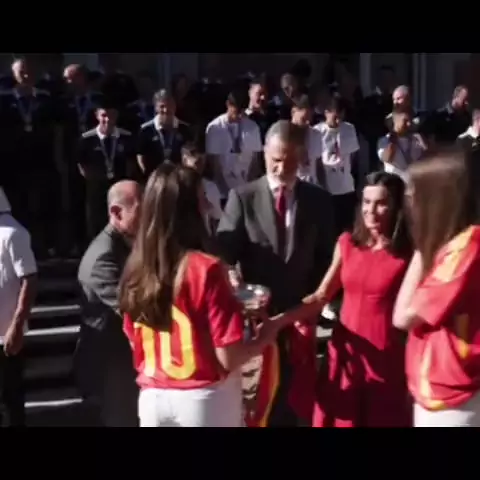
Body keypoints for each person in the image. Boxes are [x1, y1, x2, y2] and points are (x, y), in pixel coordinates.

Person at [119, 164, 278, 427]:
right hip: (204, 397)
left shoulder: (134, 267)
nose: (207, 204)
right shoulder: (207, 268)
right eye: (202, 197)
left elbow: (134, 341)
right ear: (189, 209)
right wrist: (264, 338)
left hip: (152, 397)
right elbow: (228, 357)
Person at [216, 120, 336, 426]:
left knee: (296, 397)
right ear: (264, 153)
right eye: (275, 160)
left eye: (289, 161)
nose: (281, 168)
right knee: (261, 400)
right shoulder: (243, 197)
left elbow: (327, 257)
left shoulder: (318, 200)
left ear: (302, 157)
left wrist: (316, 302)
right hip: (257, 319)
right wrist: (231, 275)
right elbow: (223, 255)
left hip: (299, 315)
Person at [273, 172, 412, 427]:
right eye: (367, 202)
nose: (371, 211)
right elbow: (321, 296)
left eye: (381, 203)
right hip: (346, 351)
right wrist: (278, 321)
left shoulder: (409, 255)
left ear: (397, 207)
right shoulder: (347, 243)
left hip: (387, 357)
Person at [393, 149, 480, 427]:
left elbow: (403, 316)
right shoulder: (455, 243)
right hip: (439, 389)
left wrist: (422, 245)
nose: (408, 206)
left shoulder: (467, 248)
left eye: (414, 195)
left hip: (453, 396)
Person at [76, 180, 142, 427]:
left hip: (122, 362)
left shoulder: (123, 244)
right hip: (109, 365)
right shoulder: (104, 257)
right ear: (116, 212)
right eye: (141, 209)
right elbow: (132, 307)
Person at [0, 58, 62, 259]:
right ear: (13, 73)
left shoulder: (44, 98)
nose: (26, 76)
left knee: (42, 205)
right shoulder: (4, 100)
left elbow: (56, 128)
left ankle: (41, 247)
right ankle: (19, 249)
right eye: (21, 72)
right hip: (13, 163)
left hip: (41, 161)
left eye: (29, 71)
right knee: (18, 206)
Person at [0, 187, 37, 427]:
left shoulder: (13, 233)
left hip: (5, 335)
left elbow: (29, 279)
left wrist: (17, 325)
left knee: (10, 398)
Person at [77, 97, 138, 240]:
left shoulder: (126, 137)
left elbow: (131, 161)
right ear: (97, 116)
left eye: (111, 115)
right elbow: (81, 163)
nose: (107, 119)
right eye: (104, 115)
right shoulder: (87, 139)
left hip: (119, 186)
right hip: (97, 188)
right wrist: (93, 179)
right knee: (96, 222)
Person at [206, 89, 262, 204]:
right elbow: (214, 166)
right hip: (223, 192)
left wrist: (248, 189)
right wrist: (228, 194)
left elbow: (255, 163)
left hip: (246, 189)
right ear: (228, 105)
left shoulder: (252, 127)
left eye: (242, 112)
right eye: (236, 111)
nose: (240, 116)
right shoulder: (215, 128)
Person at [314, 94, 359, 236]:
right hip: (327, 187)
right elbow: (317, 161)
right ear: (326, 113)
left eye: (341, 116)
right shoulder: (317, 132)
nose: (338, 121)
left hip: (345, 186)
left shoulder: (349, 129)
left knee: (346, 229)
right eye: (335, 117)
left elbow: (352, 156)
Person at [136, 89, 193, 179]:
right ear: (156, 108)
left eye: (169, 105)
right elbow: (140, 156)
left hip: (178, 178)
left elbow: (190, 155)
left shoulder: (185, 129)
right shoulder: (146, 130)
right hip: (154, 178)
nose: (166, 110)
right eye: (162, 106)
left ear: (175, 106)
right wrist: (147, 175)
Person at [181, 142, 222, 235]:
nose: (199, 166)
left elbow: (216, 218)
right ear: (184, 160)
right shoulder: (176, 186)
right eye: (196, 162)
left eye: (202, 161)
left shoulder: (210, 187)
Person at [378, 111, 428, 183]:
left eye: (410, 120)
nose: (409, 124)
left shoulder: (417, 139)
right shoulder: (385, 140)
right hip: (395, 183)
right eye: (405, 121)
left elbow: (426, 159)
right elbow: (387, 158)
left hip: (414, 182)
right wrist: (393, 140)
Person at [290, 94, 324, 187]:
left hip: (311, 185)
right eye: (304, 119)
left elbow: (318, 164)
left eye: (310, 118)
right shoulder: (283, 134)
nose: (308, 122)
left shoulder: (316, 134)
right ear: (293, 112)